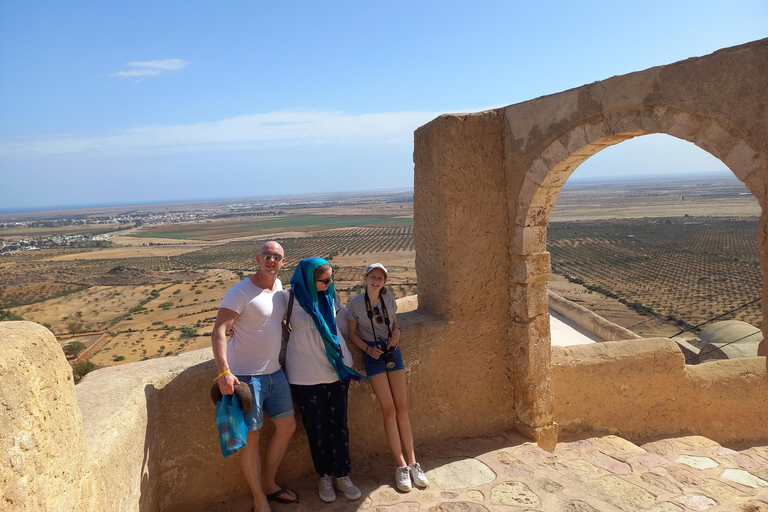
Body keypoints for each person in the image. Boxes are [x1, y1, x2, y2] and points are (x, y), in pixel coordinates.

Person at [211, 241, 299, 512]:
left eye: (277, 257)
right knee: (252, 439)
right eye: (267, 256)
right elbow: (219, 331)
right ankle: (259, 498)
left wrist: (285, 334)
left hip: (275, 372)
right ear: (257, 259)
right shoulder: (240, 292)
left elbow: (273, 322)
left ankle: (270, 484)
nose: (271, 260)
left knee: (287, 427)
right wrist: (224, 372)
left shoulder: (279, 287)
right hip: (246, 378)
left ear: (283, 262)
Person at [284, 257, 368, 502]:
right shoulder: (288, 298)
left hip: (336, 371)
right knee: (316, 429)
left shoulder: (330, 297)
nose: (330, 283)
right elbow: (264, 321)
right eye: (325, 280)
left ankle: (342, 475)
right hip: (304, 375)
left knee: (339, 427)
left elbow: (347, 323)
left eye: (332, 278)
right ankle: (325, 476)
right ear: (309, 279)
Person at [346, 263, 429, 492]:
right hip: (373, 355)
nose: (376, 281)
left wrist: (398, 334)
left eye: (380, 278)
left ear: (384, 282)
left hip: (393, 352)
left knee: (402, 408)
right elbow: (352, 334)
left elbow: (395, 325)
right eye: (373, 276)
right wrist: (368, 350)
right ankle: (400, 465)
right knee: (389, 410)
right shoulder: (355, 304)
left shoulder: (389, 299)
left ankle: (413, 463)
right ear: (366, 278)